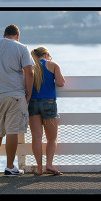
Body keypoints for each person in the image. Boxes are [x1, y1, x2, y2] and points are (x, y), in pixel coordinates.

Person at [0, 24, 35, 176]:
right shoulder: (21, 47)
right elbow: (29, 72)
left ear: (3, 36)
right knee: (12, 131)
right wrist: (28, 93)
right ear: (17, 36)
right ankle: (10, 167)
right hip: (15, 94)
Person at [28, 46, 65, 175]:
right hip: (49, 103)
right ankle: (49, 164)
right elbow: (61, 83)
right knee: (52, 138)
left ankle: (39, 168)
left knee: (36, 137)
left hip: (32, 103)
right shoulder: (52, 65)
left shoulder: (30, 66)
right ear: (45, 55)